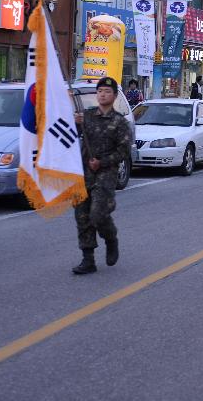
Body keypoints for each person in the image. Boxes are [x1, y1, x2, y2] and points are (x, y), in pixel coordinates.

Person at [71, 77, 134, 275]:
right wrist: (75, 121)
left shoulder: (120, 122)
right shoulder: (87, 116)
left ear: (114, 96)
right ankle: (87, 259)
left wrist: (103, 162)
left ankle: (110, 238)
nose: (102, 95)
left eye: (107, 91)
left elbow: (123, 151)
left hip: (105, 173)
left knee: (97, 213)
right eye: (99, 92)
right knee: (82, 216)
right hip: (84, 171)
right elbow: (71, 134)